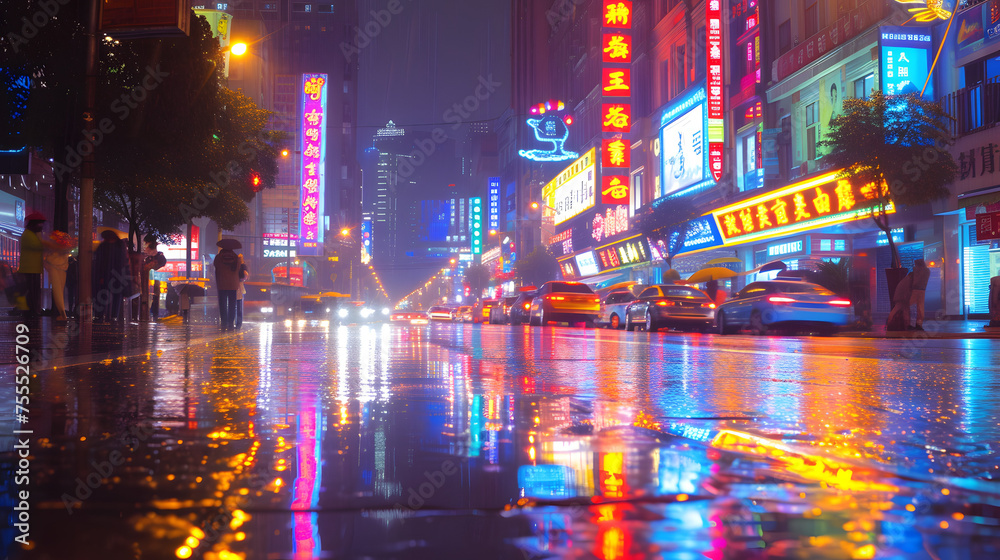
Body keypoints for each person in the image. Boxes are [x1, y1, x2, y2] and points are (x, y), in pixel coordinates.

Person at [18, 212, 53, 317]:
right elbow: (39, 246)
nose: (41, 227)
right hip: (30, 269)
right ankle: (31, 311)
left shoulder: (32, 234)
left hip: (34, 268)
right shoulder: (28, 235)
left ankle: (32, 310)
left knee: (34, 291)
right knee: (32, 291)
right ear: (33, 224)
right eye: (39, 224)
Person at [93, 229, 128, 322]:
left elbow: (99, 261)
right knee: (117, 296)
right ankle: (114, 316)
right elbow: (124, 260)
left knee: (102, 295)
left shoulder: (103, 246)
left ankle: (99, 315)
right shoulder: (120, 245)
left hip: (105, 274)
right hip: (118, 274)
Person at [43, 231, 74, 321]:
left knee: (57, 293)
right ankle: (62, 313)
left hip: (55, 270)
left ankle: (62, 314)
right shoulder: (65, 250)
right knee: (60, 291)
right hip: (62, 270)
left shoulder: (55, 250)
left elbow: (49, 259)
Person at [213, 246, 241, 330]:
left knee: (223, 304)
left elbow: (215, 266)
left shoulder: (218, 257)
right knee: (232, 304)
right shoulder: (236, 257)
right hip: (233, 284)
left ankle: (224, 323)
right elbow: (238, 268)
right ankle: (230, 323)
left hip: (222, 284)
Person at [909, 259, 930, 331]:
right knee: (920, 308)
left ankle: (912, 324)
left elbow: (915, 281)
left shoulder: (917, 270)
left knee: (912, 306)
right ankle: (919, 323)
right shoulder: (927, 271)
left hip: (915, 290)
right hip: (922, 290)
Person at [235, 255, 248, 329]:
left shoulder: (235, 266)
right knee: (239, 307)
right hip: (239, 288)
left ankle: (236, 323)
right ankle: (238, 324)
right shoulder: (243, 267)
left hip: (234, 287)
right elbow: (245, 275)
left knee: (235, 307)